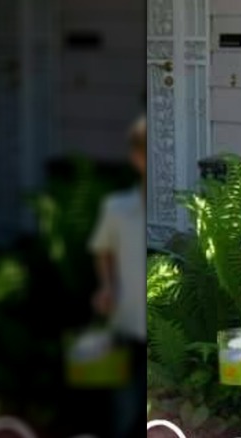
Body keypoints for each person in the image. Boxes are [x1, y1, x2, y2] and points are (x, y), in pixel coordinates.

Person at [89, 114, 147, 438]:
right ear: (136, 158)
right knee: (124, 409)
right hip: (124, 322)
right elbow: (103, 249)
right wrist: (106, 286)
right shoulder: (117, 208)